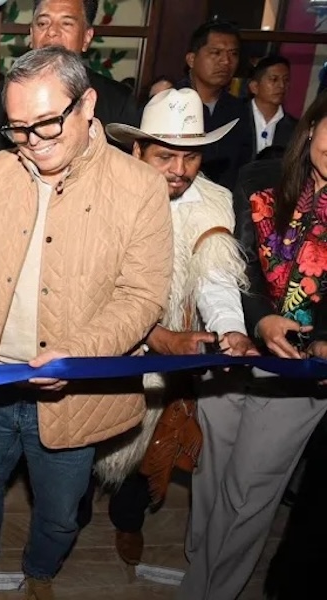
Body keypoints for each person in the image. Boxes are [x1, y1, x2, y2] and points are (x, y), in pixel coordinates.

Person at [0, 47, 172, 600]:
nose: (32, 141)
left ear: (88, 104)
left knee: (60, 512)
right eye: (18, 128)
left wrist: (76, 354)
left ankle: (40, 572)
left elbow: (142, 298)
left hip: (73, 394)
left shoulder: (140, 188)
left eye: (46, 123)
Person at [179, 87, 327, 600]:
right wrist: (260, 319)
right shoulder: (256, 178)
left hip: (301, 370)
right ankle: (198, 568)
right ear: (313, 125)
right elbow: (232, 265)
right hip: (235, 348)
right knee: (211, 475)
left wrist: (322, 339)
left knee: (250, 492)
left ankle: (210, 592)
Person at [99, 87, 253, 566]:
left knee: (150, 438)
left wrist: (230, 329)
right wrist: (148, 334)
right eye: (165, 156)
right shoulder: (104, 196)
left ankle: (128, 520)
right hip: (102, 340)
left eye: (191, 157)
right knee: (87, 436)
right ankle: (69, 515)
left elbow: (217, 279)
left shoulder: (213, 201)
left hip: (176, 348)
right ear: (137, 151)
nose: (180, 170)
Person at [0, 0, 140, 154]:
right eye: (43, 23)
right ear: (31, 34)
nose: (52, 32)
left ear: (87, 37)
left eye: (66, 24)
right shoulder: (1, 98)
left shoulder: (118, 101)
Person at [176, 19, 254, 191]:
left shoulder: (239, 110)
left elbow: (244, 167)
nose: (226, 61)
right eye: (216, 53)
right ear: (191, 59)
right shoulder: (171, 102)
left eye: (233, 54)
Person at [247, 55, 297, 159]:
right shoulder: (233, 117)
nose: (282, 85)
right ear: (254, 87)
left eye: (286, 80)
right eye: (274, 79)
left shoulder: (295, 128)